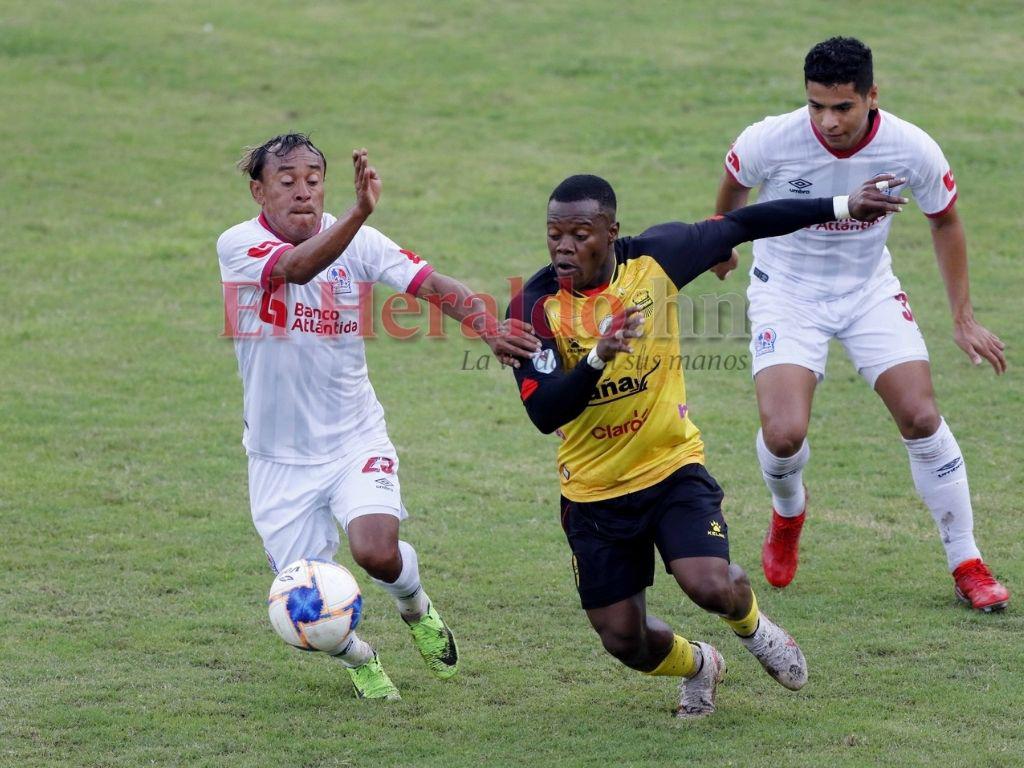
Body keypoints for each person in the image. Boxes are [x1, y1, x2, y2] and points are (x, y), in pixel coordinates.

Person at [507, 173, 903, 717]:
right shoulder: (533, 307)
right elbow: (546, 411)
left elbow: (742, 223)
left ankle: (753, 628)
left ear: (611, 231)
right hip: (593, 493)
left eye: (580, 233)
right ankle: (700, 665)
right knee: (624, 641)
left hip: (671, 468)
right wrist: (598, 357)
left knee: (711, 584)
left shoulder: (655, 260)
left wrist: (842, 203)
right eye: (555, 234)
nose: (564, 246)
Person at [217, 134, 539, 700]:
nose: (303, 193)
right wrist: (361, 213)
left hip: (352, 437)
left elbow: (430, 283)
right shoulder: (238, 244)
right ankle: (359, 657)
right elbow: (296, 267)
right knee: (302, 600)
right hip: (277, 458)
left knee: (376, 551)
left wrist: (486, 326)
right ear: (258, 190)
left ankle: (417, 609)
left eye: (313, 180)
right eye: (286, 181)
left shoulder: (360, 241)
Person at [712, 37, 1010, 611]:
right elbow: (734, 183)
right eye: (816, 105)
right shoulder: (772, 137)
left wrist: (963, 317)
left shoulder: (911, 147)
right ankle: (788, 513)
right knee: (783, 434)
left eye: (842, 107)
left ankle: (967, 561)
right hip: (787, 294)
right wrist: (724, 239)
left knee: (922, 416)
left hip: (868, 291)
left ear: (872, 97)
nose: (827, 121)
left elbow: (945, 222)